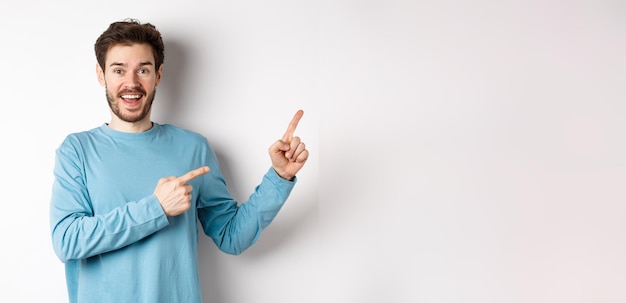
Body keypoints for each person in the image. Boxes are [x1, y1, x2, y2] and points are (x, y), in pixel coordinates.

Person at [49, 18, 308, 303]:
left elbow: (232, 237)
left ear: (158, 75)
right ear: (101, 75)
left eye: (143, 70)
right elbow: (66, 241)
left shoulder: (192, 148)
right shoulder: (77, 151)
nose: (131, 82)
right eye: (119, 70)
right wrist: (155, 208)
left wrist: (279, 177)